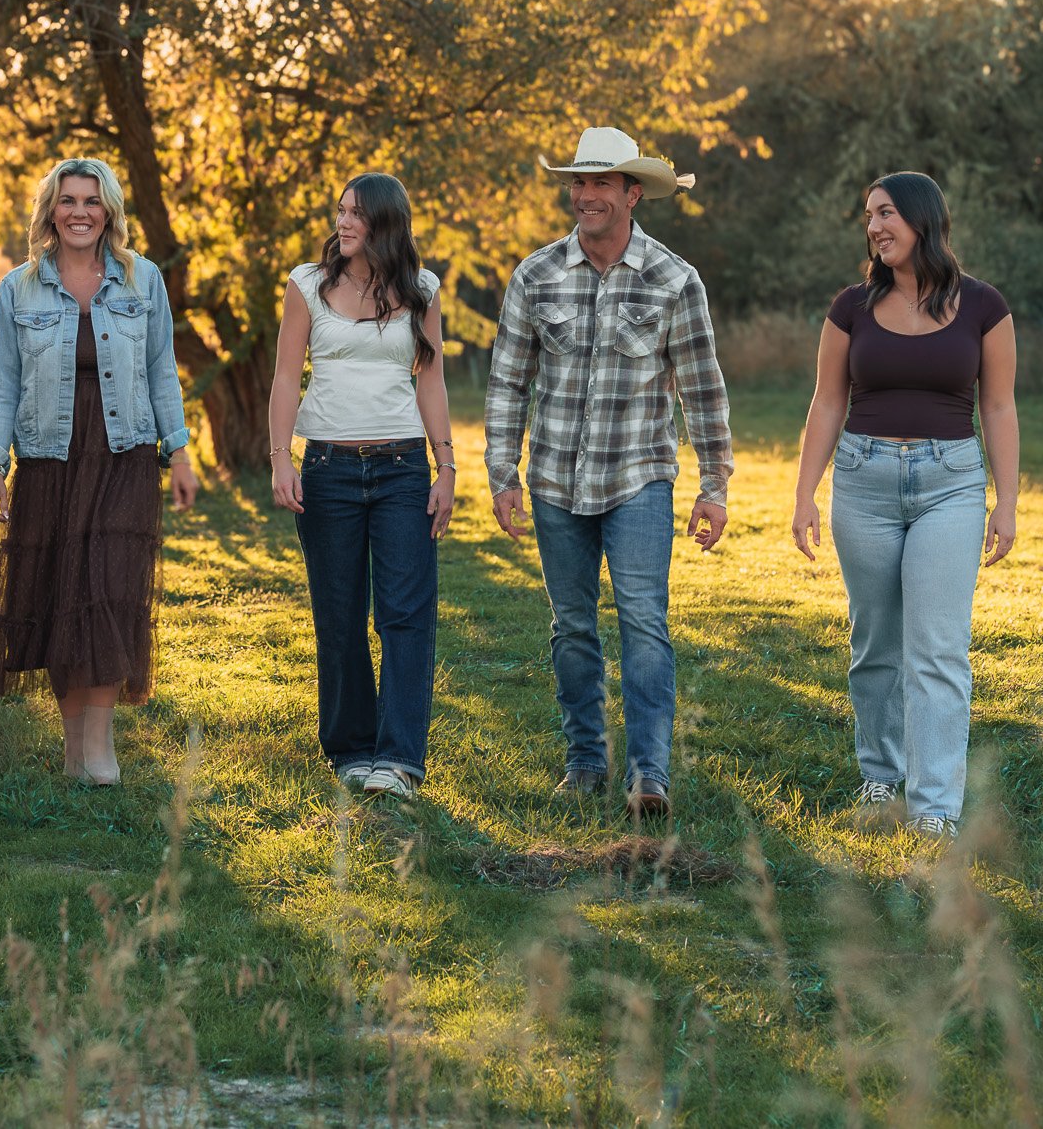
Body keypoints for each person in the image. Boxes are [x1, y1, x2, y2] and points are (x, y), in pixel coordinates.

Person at [484, 126, 732, 819]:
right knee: (571, 627)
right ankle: (585, 762)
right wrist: (503, 472)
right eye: (578, 182)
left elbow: (702, 389)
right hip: (554, 481)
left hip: (638, 478)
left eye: (600, 182)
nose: (585, 194)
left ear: (632, 193)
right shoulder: (535, 275)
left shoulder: (675, 280)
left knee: (644, 622)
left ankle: (650, 773)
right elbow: (508, 381)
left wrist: (714, 485)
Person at [790, 172, 1018, 839]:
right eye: (869, 215)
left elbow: (998, 405)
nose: (874, 227)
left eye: (886, 213)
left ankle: (934, 808)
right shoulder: (852, 307)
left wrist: (1007, 501)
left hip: (951, 484)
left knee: (937, 648)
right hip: (863, 482)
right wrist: (805, 493)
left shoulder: (984, 306)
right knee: (875, 643)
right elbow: (827, 401)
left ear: (922, 219)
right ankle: (880, 775)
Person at [0, 158, 199, 784]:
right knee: (58, 597)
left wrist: (179, 452)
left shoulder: (142, 279)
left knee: (108, 594)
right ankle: (75, 754)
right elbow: (3, 383)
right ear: (51, 211)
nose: (79, 212)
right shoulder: (18, 289)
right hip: (49, 458)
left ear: (109, 212)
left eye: (91, 201)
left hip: (124, 455)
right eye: (68, 200)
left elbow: (161, 370)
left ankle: (100, 751)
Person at [267, 174, 454, 801]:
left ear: (386, 223)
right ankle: (351, 749)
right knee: (339, 613)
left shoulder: (422, 289)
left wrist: (446, 468)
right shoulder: (307, 285)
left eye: (356, 214)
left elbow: (430, 380)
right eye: (341, 211)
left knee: (405, 614)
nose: (343, 222)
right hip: (328, 469)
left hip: (403, 469)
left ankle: (399, 758)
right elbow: (286, 376)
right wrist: (281, 459)